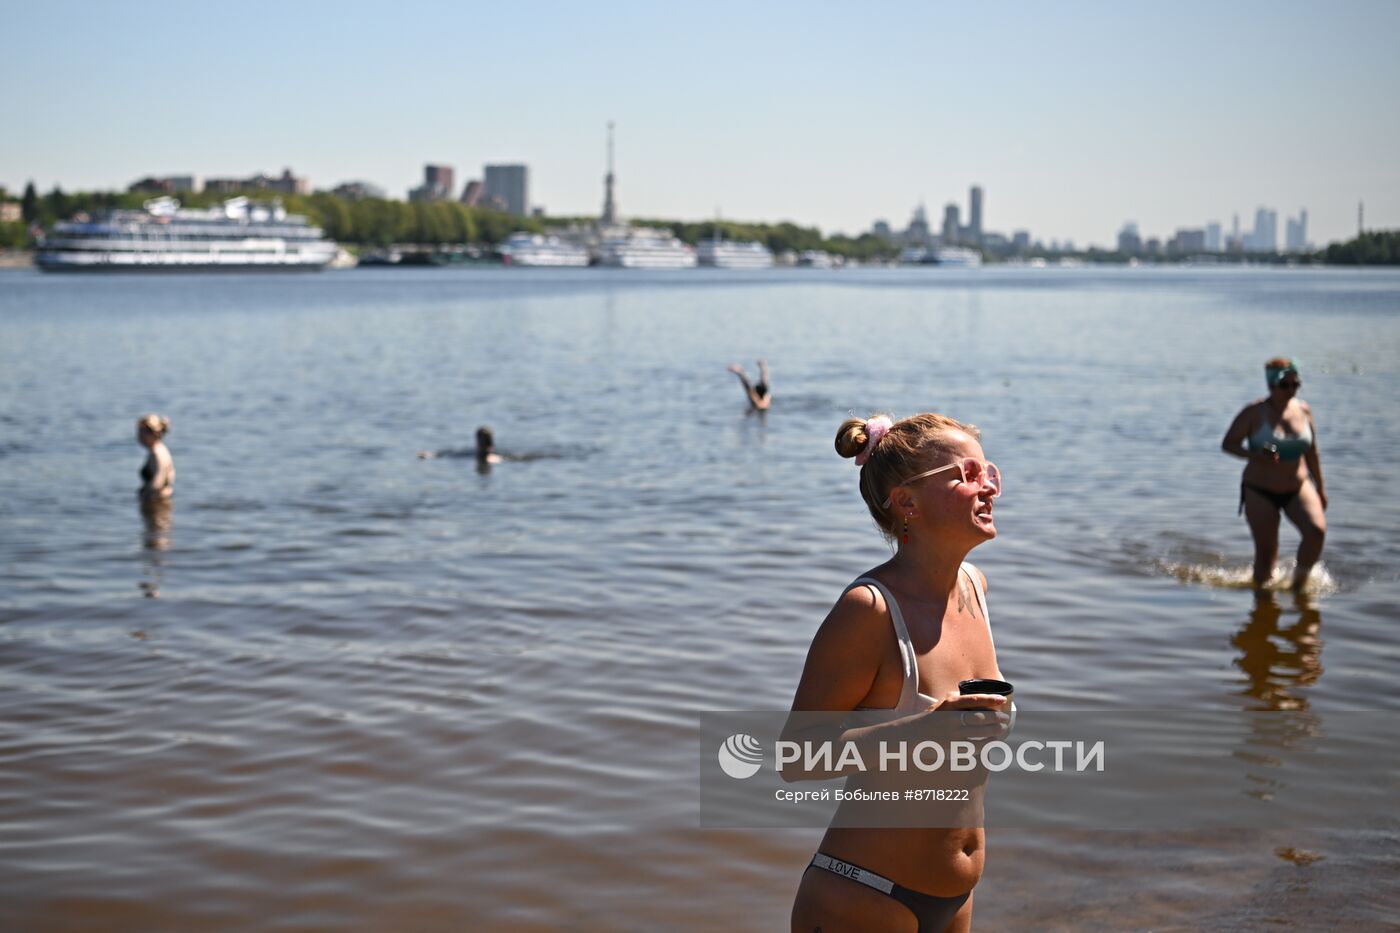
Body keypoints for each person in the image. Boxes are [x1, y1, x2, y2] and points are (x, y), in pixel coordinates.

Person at [786, 413, 1010, 933]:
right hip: (862, 893)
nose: (989, 488)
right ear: (907, 502)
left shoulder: (975, 588)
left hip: (955, 900)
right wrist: (924, 730)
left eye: (989, 472)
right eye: (967, 475)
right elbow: (795, 756)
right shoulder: (870, 610)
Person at [1221, 358, 1326, 591]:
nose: (1290, 390)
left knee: (1316, 532)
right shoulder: (1253, 412)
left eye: (1295, 385)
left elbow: (1312, 452)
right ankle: (1263, 610)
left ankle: (1299, 586)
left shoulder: (1304, 410)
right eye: (1284, 385)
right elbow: (1228, 444)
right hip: (1260, 490)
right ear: (1271, 386)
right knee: (1266, 557)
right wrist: (1255, 455)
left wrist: (1321, 487)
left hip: (1298, 487)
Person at [417, 425, 504, 465]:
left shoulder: (495, 458)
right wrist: (433, 455)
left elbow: (453, 455)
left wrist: (433, 456)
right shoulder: (499, 457)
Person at [136, 413, 175, 500]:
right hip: (159, 500)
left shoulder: (158, 455)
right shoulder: (157, 451)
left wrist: (144, 496)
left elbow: (157, 484)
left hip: (157, 503)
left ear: (153, 434)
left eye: (141, 433)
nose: (138, 437)